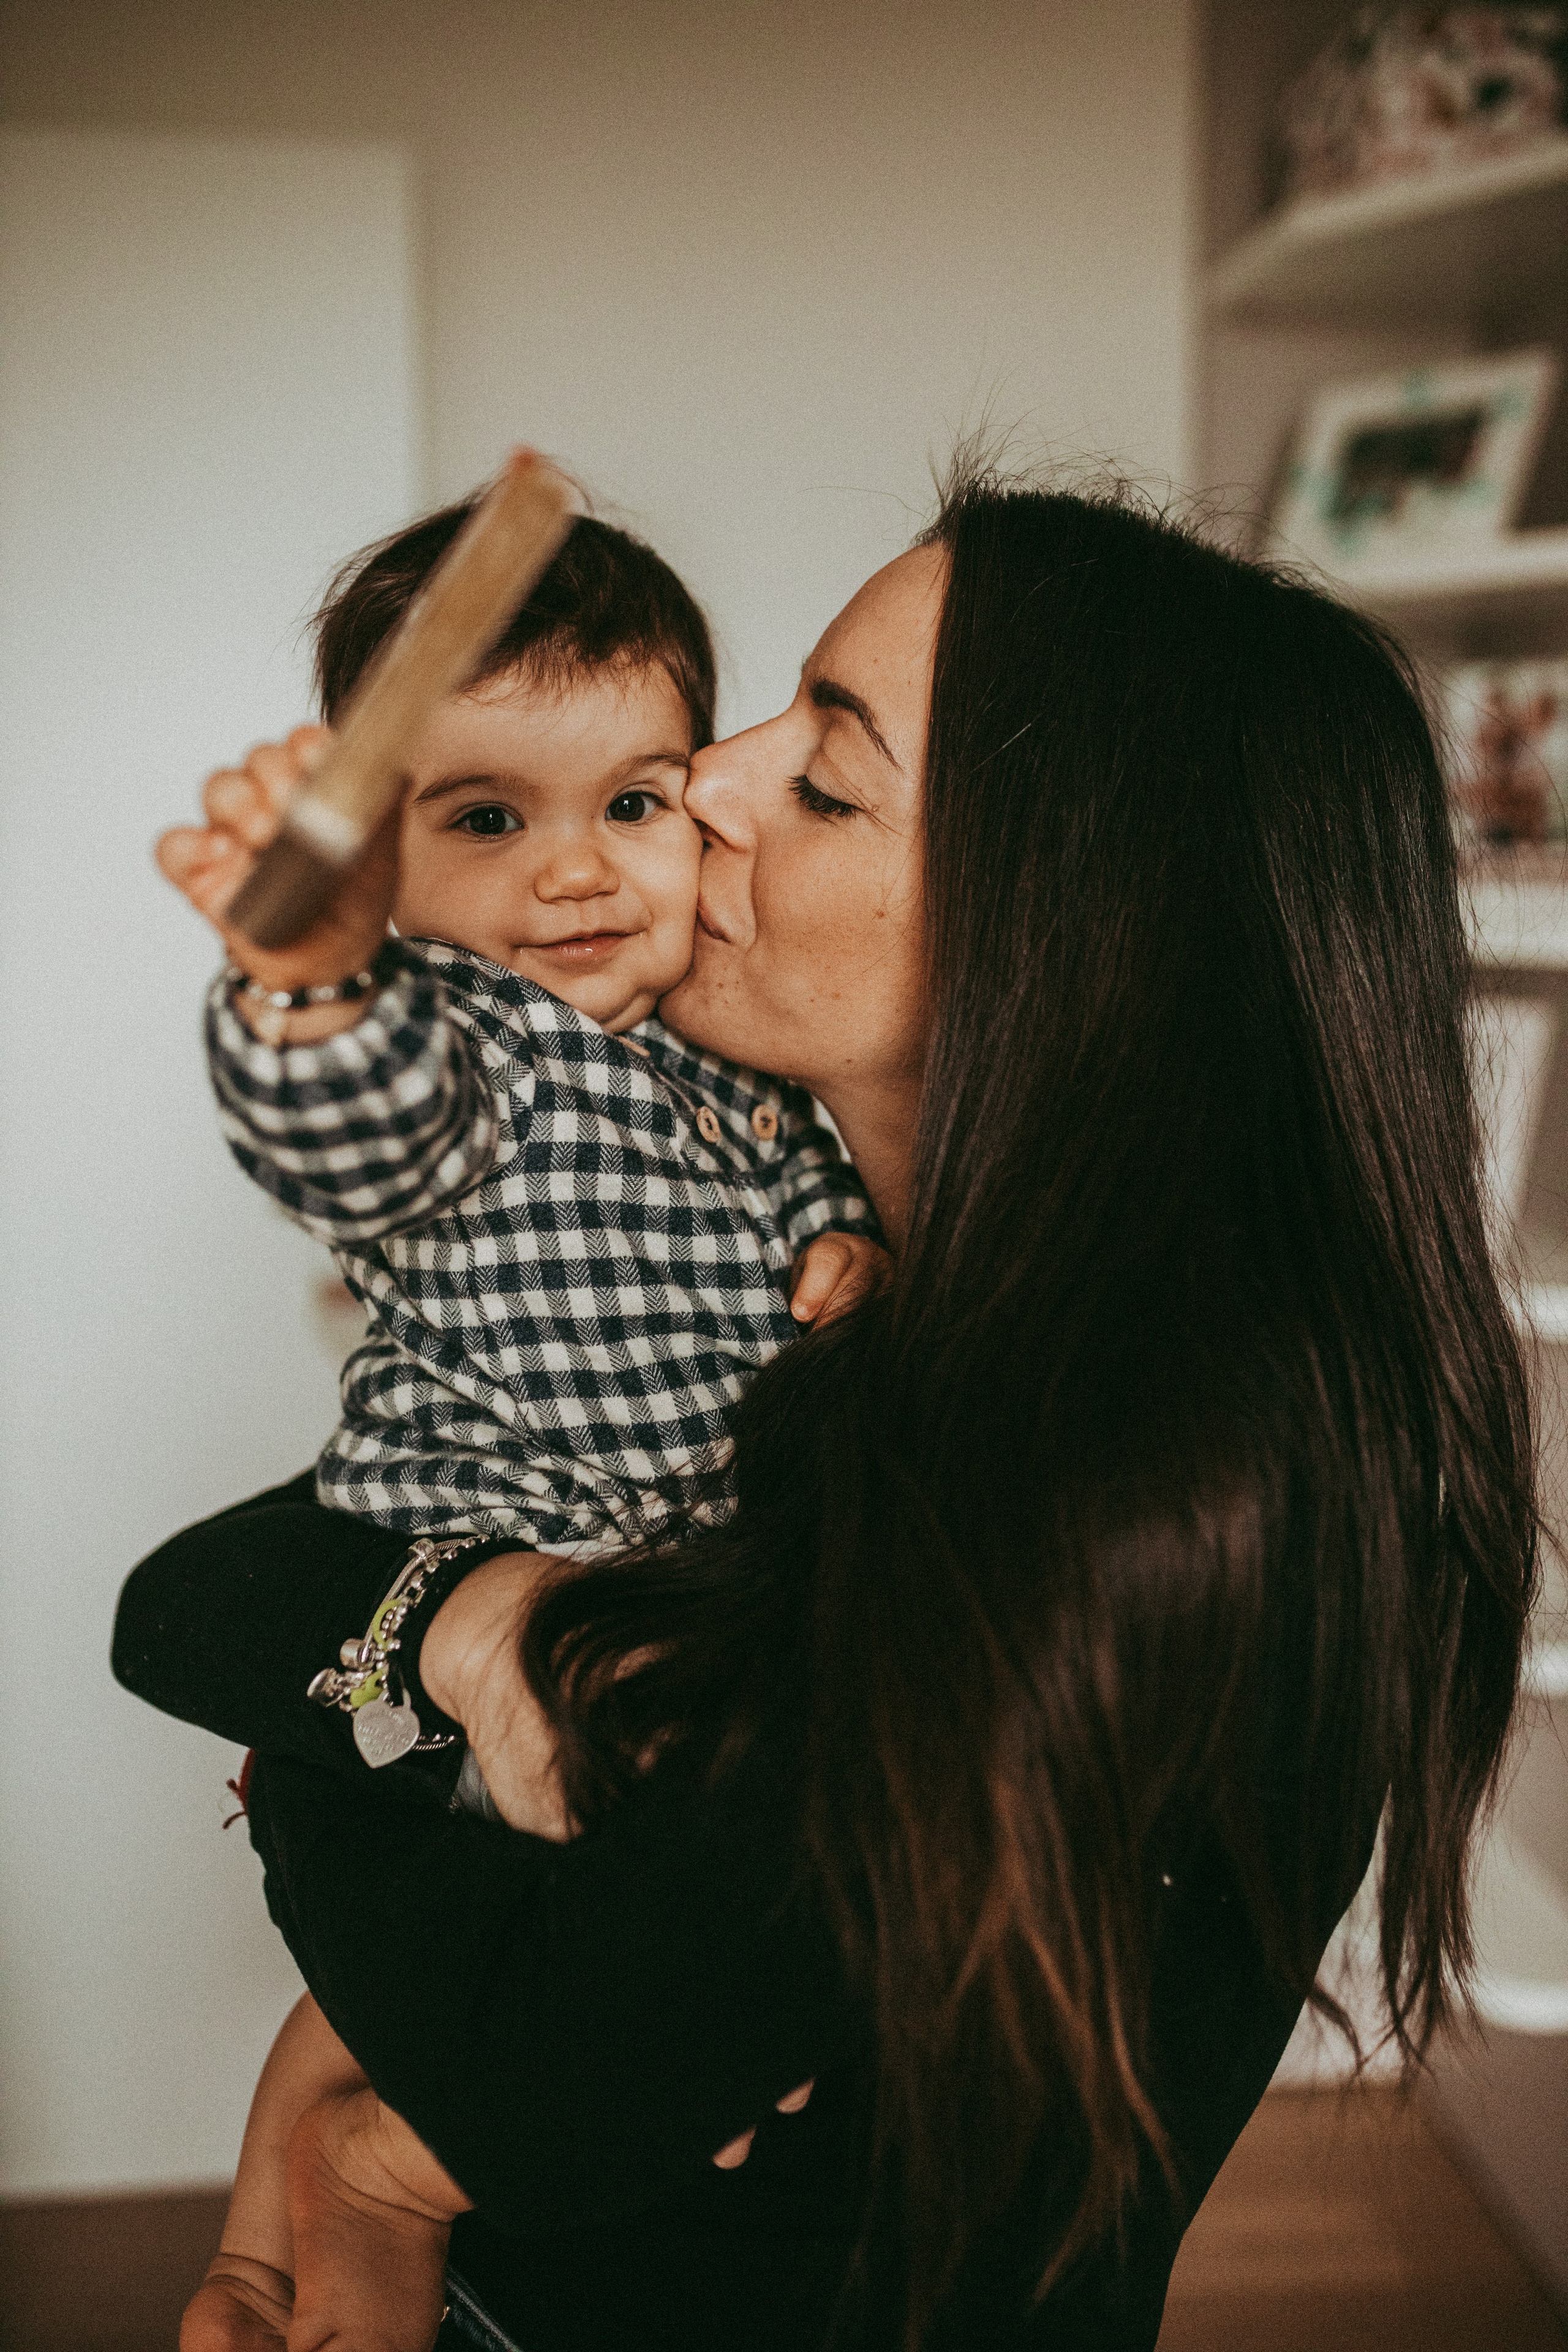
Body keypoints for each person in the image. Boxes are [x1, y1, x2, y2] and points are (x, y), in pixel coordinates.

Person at [115, 462, 1537, 2352]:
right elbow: (200, 1592)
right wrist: (469, 1628)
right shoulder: (798, 1273)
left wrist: (338, 1737)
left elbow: (543, 2066)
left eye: (827, 772)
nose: (703, 783)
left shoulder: (1149, 1493)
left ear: (1071, 932)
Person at [151, 497, 888, 2326]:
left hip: (679, 1579)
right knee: (625, 1965)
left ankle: (327, 2185)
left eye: (632, 803)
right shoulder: (463, 1043)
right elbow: (352, 1129)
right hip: (515, 1539)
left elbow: (795, 1178)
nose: (576, 873)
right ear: (379, 860)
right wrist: (301, 989)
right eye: (487, 820)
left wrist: (845, 1247)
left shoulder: (721, 1058)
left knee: (654, 1967)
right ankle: (338, 2204)